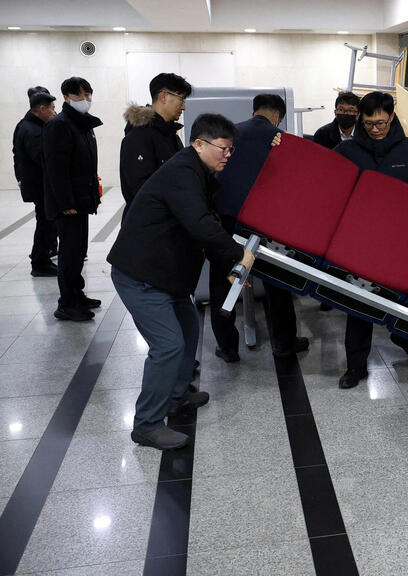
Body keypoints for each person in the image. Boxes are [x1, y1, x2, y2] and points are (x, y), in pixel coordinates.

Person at [107, 113, 255, 450]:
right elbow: (200, 223)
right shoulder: (183, 173)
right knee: (168, 345)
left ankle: (175, 398)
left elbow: (207, 226)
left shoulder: (197, 172)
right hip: (141, 275)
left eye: (231, 150)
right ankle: (146, 425)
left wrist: (229, 264)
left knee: (189, 329)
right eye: (224, 149)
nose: (227, 156)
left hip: (165, 274)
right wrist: (237, 255)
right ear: (199, 144)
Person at [333, 91, 408, 389]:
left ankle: (405, 336)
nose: (376, 129)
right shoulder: (347, 152)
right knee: (358, 301)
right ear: (360, 119)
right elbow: (318, 171)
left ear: (392, 117)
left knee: (404, 295)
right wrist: (278, 142)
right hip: (361, 241)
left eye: (382, 123)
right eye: (370, 123)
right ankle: (356, 366)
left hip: (401, 239)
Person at [209, 93, 308, 362]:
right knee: (278, 283)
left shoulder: (230, 134)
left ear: (254, 112)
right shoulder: (283, 140)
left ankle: (228, 348)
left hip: (226, 220)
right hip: (266, 223)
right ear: (278, 116)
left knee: (223, 283)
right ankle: (283, 344)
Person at [43, 76, 103, 322]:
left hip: (81, 201)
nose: (86, 100)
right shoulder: (60, 125)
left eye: (88, 95)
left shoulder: (81, 124)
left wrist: (91, 196)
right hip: (68, 205)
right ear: (66, 97)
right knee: (68, 254)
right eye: (80, 95)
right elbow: (56, 169)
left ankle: (77, 293)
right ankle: (66, 303)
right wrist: (65, 202)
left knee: (79, 251)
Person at [119, 72, 192, 210]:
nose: (184, 107)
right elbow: (140, 192)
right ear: (163, 96)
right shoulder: (138, 137)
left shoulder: (170, 135)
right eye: (181, 100)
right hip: (149, 226)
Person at [13, 87, 58, 277]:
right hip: (40, 186)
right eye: (51, 108)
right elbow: (43, 157)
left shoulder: (26, 124)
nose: (54, 112)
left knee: (46, 222)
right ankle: (40, 262)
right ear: (40, 109)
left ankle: (42, 258)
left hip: (36, 184)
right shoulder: (33, 130)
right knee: (45, 223)